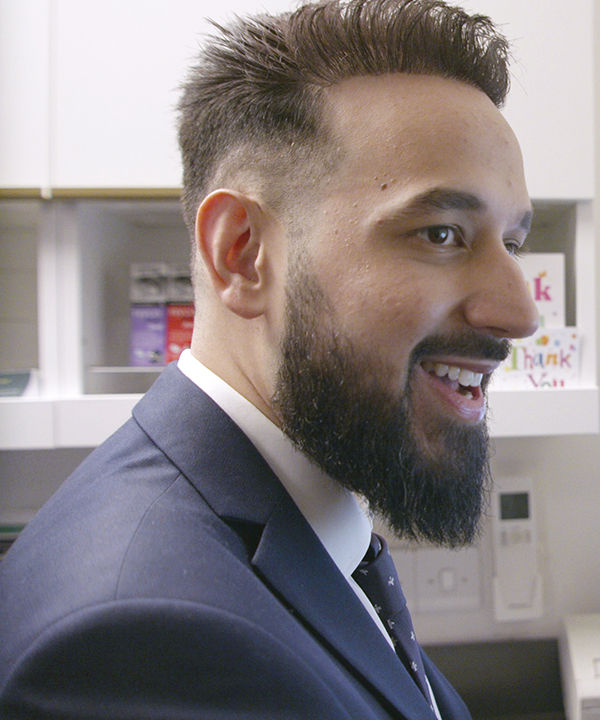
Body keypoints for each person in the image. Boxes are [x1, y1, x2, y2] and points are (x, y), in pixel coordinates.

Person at [0, 1, 538, 717]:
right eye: (441, 233)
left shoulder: (284, 518)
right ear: (243, 254)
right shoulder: (143, 648)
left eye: (514, 242)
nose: (520, 313)